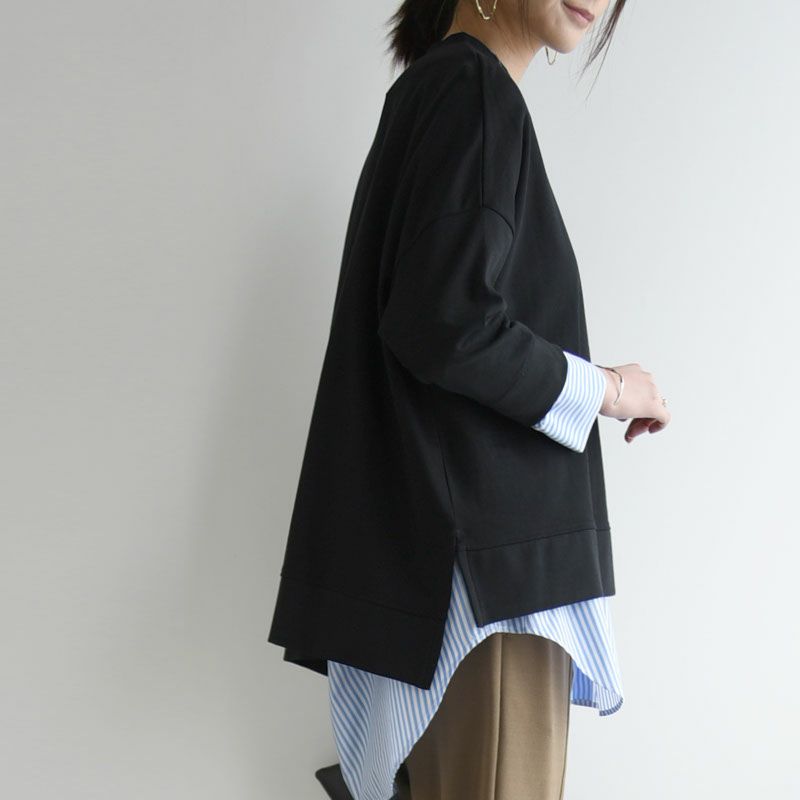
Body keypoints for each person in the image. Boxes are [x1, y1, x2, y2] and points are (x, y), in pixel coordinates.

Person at [269, 2, 671, 799]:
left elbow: (434, 316)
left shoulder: (435, 90)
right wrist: (608, 389)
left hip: (452, 582)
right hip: (486, 596)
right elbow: (447, 323)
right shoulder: (472, 93)